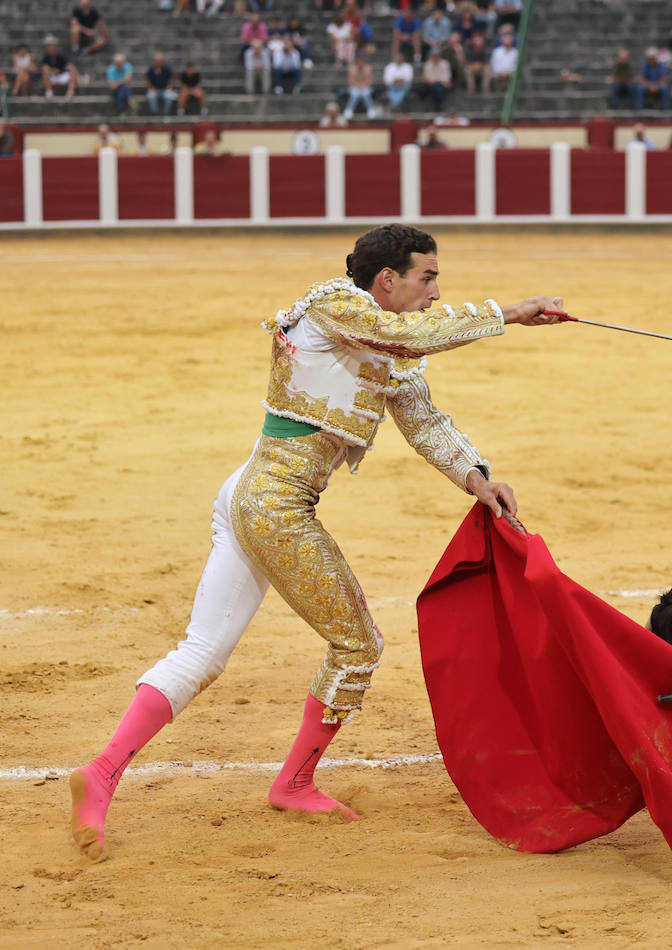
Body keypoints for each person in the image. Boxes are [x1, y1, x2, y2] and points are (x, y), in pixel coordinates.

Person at [68, 224, 566, 863]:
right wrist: (512, 312)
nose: (436, 292)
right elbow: (411, 334)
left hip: (250, 494)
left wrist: (480, 480)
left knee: (203, 650)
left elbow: (425, 423)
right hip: (273, 506)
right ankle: (294, 781)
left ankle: (104, 772)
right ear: (387, 280)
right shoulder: (339, 306)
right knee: (358, 643)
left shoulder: (382, 340)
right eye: (428, 277)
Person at [145, 52, 176, 117]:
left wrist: (169, 87)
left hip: (165, 90)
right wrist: (151, 88)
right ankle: (155, 114)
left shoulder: (167, 69)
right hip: (154, 89)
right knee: (151, 96)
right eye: (157, 61)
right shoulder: (151, 69)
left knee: (169, 96)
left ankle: (166, 114)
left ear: (162, 61)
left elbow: (172, 79)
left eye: (160, 60)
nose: (158, 62)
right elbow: (148, 80)